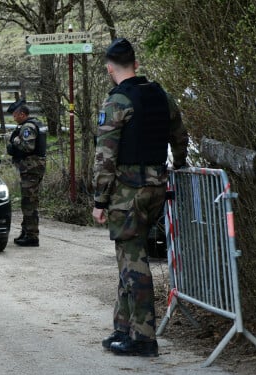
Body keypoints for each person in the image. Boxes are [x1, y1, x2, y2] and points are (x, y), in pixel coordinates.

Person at [92, 38, 188, 357]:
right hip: (156, 188)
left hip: (128, 193)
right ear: (135, 63)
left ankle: (144, 337)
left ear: (110, 68)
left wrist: (100, 201)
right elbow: (179, 133)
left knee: (133, 260)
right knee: (130, 254)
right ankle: (123, 327)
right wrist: (181, 163)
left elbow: (105, 156)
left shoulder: (117, 102)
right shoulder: (161, 95)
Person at [6, 99, 47, 247]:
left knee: (29, 202)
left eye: (15, 115)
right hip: (32, 168)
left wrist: (15, 140)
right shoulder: (35, 123)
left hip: (31, 168)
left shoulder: (28, 127)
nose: (14, 118)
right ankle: (26, 232)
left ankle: (31, 236)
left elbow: (27, 147)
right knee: (28, 200)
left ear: (22, 114)